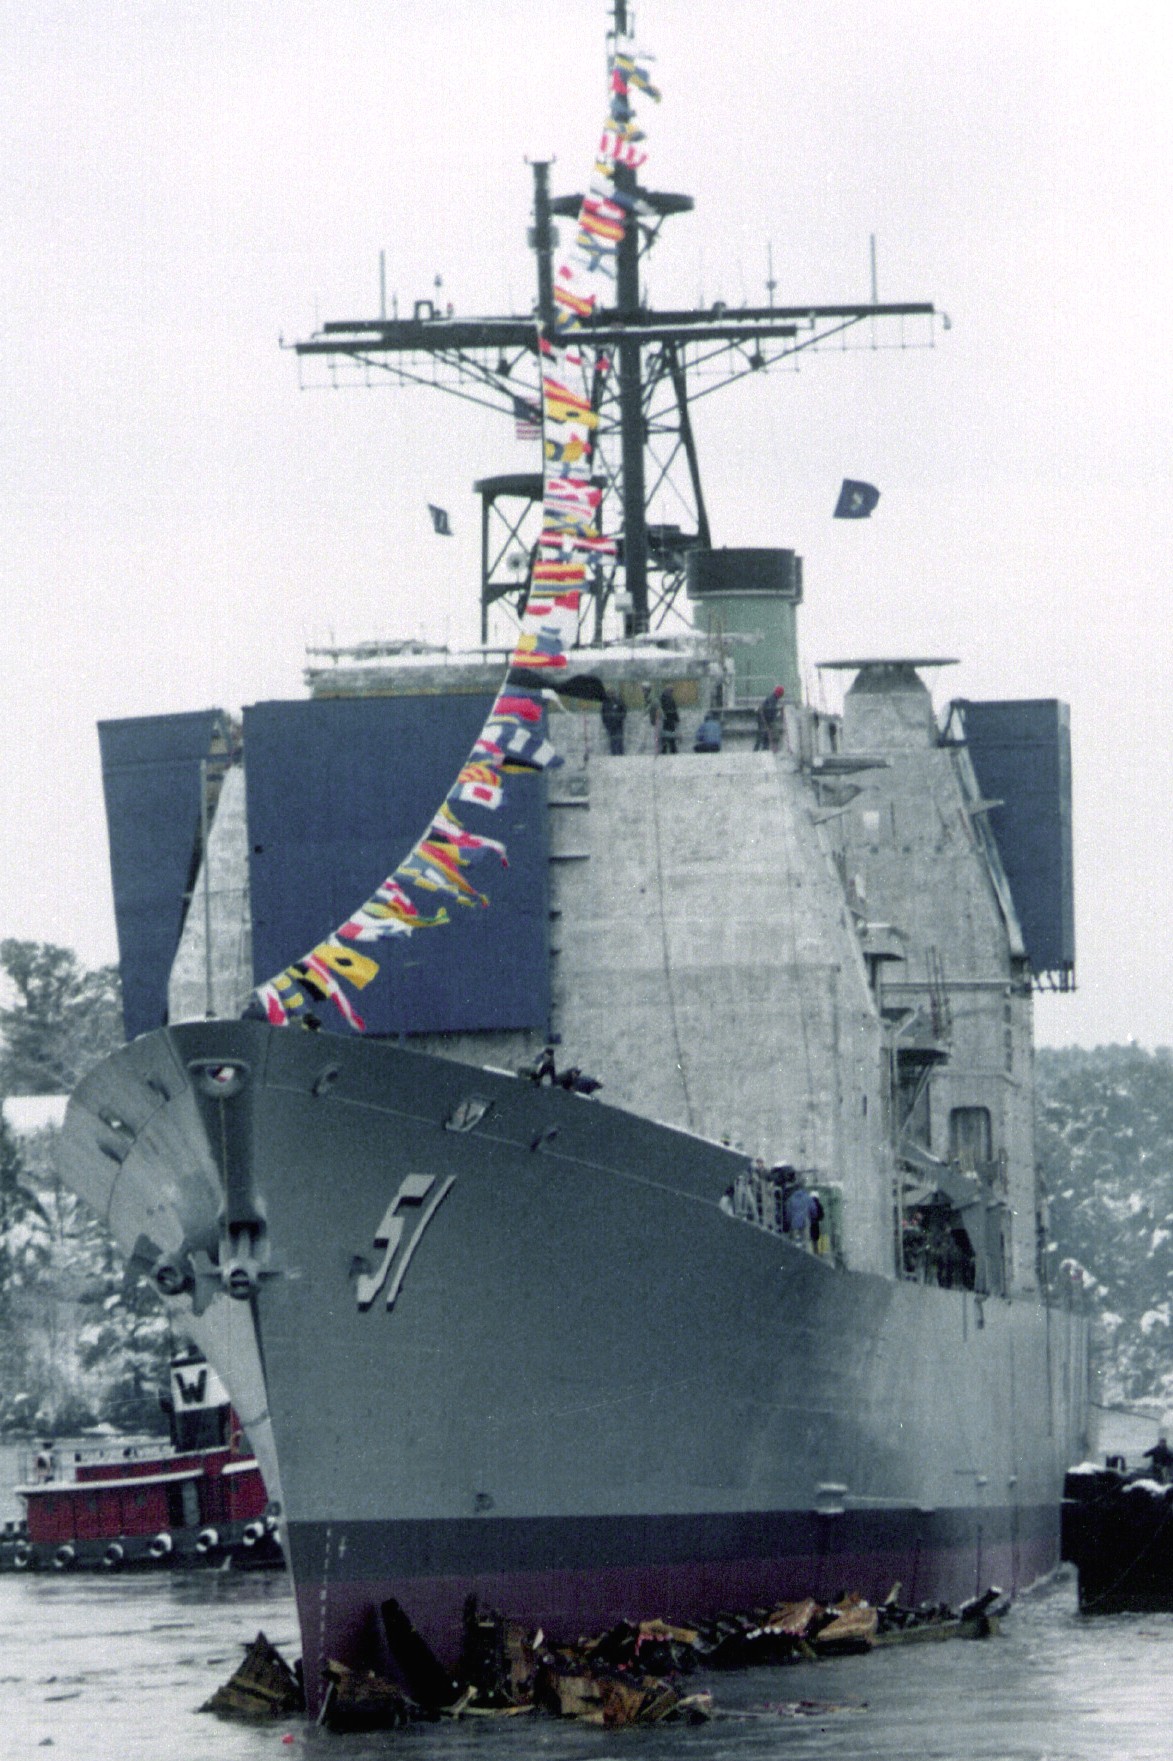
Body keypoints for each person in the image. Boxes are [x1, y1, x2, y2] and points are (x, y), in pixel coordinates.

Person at [783, 1178, 819, 1249]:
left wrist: (789, 1222)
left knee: (794, 1243)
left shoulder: (791, 1198)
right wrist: (813, 1218)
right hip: (805, 1222)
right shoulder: (808, 1198)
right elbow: (813, 1210)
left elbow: (788, 1213)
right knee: (806, 1242)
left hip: (794, 1223)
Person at [754, 684, 785, 751]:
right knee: (763, 734)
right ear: (779, 694)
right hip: (763, 717)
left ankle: (762, 749)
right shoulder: (773, 699)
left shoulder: (772, 698)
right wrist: (777, 714)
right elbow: (770, 710)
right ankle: (759, 749)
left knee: (763, 734)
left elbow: (770, 710)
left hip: (763, 717)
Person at [601, 690, 627, 755]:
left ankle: (620, 754)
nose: (611, 695)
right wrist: (605, 722)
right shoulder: (605, 703)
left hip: (618, 724)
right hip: (610, 725)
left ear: (614, 693)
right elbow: (603, 713)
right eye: (609, 693)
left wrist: (620, 718)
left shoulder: (619, 701)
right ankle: (614, 754)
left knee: (619, 739)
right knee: (612, 740)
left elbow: (624, 711)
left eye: (612, 693)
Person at [658, 686, 680, 754]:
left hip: (666, 719)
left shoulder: (662, 699)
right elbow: (673, 710)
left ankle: (664, 750)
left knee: (665, 735)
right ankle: (673, 750)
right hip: (669, 719)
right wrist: (676, 719)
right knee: (670, 735)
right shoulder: (670, 699)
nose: (671, 693)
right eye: (671, 691)